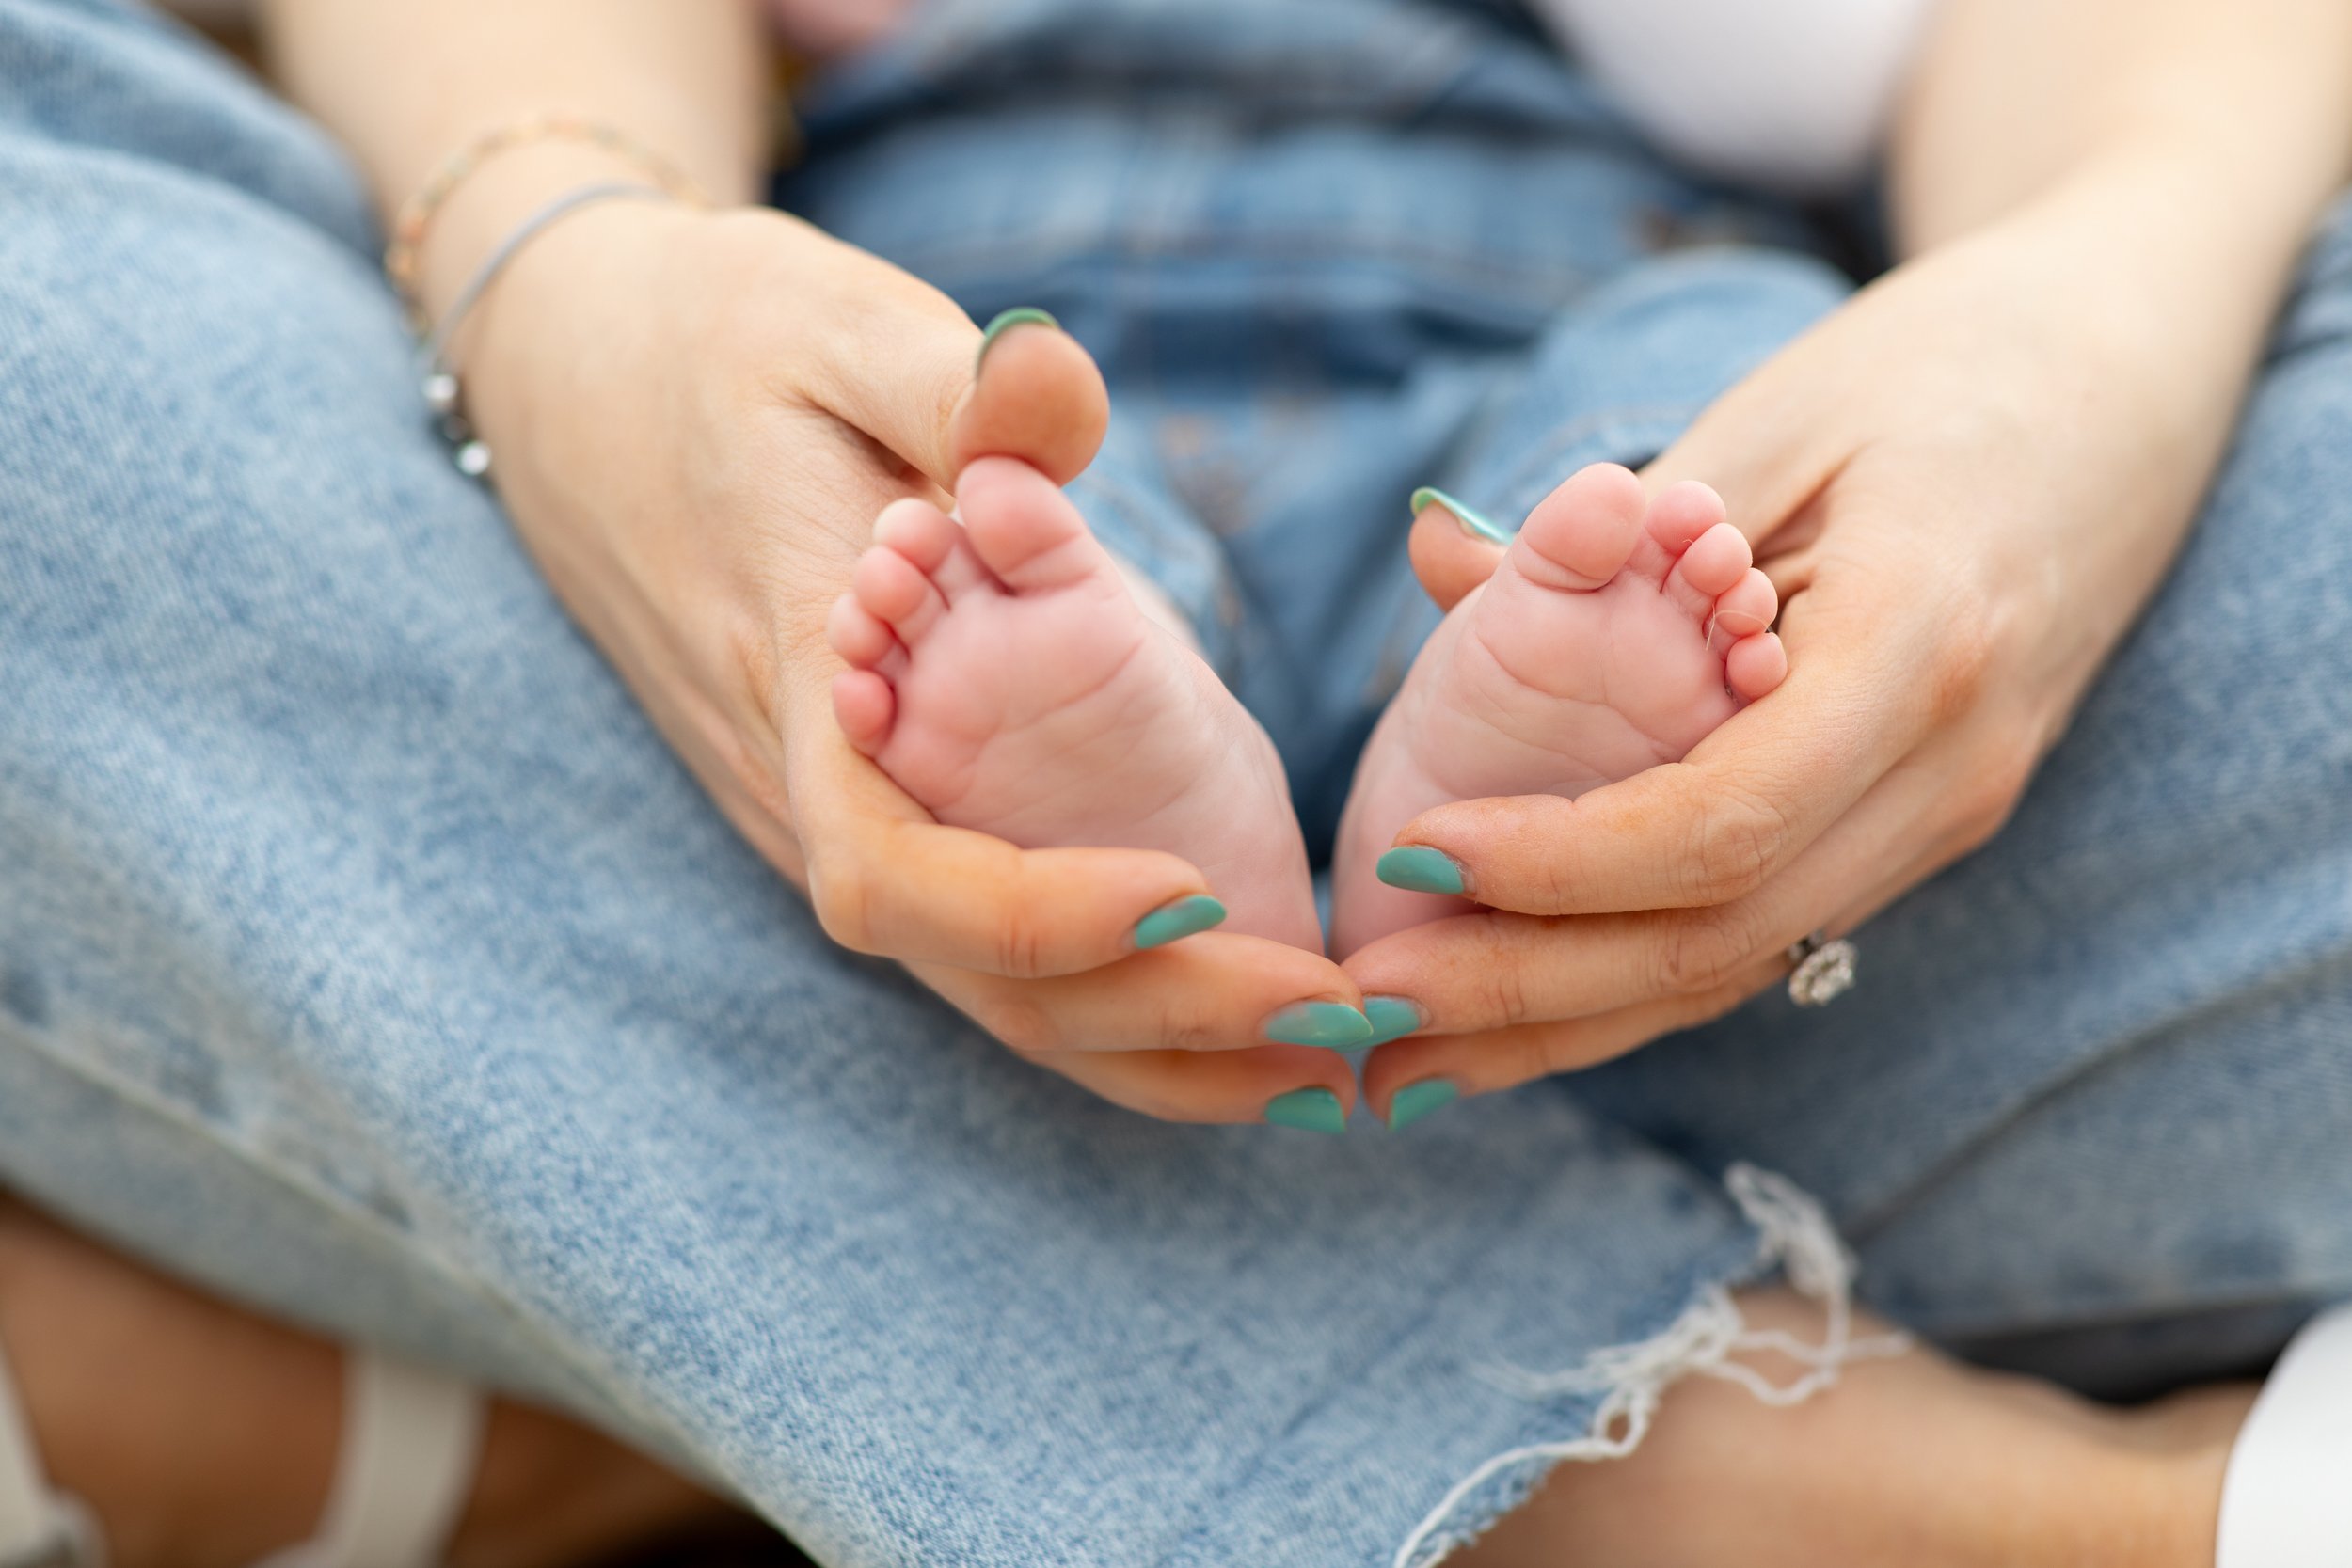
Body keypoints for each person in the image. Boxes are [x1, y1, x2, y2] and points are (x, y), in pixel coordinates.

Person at [1, 0, 2347, 1565]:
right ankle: (1717, 1492)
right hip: (879, 459)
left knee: (1648, 497)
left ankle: (725, 1303)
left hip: (1725, 502)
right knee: (1000, 521)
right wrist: (575, 262)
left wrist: (2087, 320)